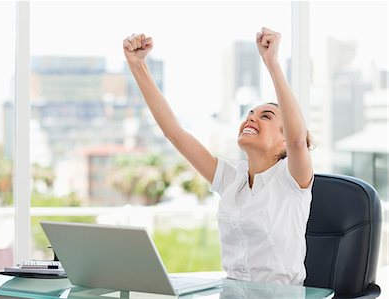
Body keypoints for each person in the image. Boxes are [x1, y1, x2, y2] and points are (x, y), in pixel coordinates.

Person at [123, 27, 314, 286]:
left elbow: (297, 140)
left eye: (265, 116)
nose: (251, 118)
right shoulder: (231, 178)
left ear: (283, 141)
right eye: (250, 114)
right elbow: (174, 133)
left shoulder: (292, 180)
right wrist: (137, 65)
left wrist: (272, 63)